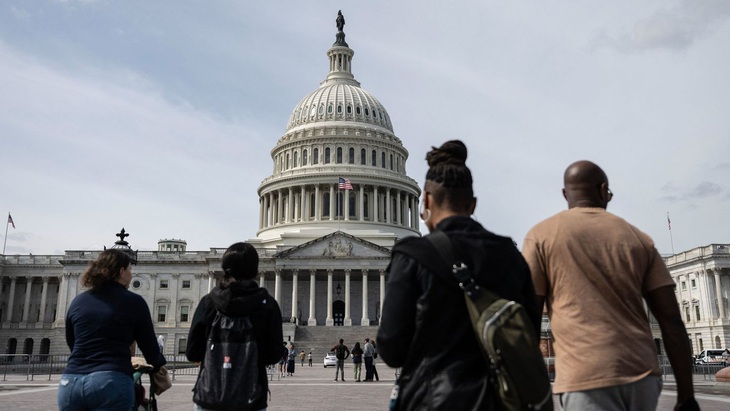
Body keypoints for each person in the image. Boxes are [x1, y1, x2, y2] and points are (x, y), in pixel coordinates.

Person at [377, 140, 541, 410]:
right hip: (500, 400)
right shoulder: (509, 254)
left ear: (426, 201)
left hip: (433, 399)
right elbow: (529, 333)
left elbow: (392, 348)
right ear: (473, 204)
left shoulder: (412, 255)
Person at [522, 160, 698, 411]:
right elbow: (671, 320)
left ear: (565, 193)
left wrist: (529, 387)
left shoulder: (541, 236)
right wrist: (686, 395)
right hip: (642, 373)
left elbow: (529, 317)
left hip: (583, 376)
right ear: (603, 189)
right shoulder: (638, 238)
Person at [58, 249, 166, 411]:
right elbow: (149, 345)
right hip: (110, 380)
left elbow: (72, 341)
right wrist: (159, 366)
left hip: (70, 381)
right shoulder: (134, 302)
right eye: (130, 269)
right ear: (121, 272)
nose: (131, 274)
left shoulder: (78, 301)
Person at [186, 242, 286, 411]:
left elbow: (192, 352)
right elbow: (275, 354)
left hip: (210, 395)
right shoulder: (267, 305)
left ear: (225, 268)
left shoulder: (208, 303)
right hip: (251, 397)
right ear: (255, 270)